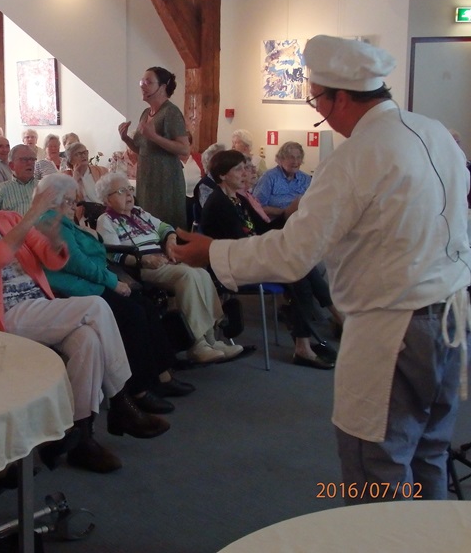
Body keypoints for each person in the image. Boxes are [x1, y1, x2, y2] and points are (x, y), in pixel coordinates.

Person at [171, 35, 471, 503]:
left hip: (394, 328)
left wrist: (212, 252)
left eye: (319, 102)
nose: (323, 114)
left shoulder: (356, 156)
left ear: (343, 96)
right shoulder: (433, 131)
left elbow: (293, 253)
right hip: (449, 321)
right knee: (428, 454)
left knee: (378, 467)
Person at [0, 169, 169, 473]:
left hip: (36, 307)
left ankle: (81, 437)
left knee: (88, 340)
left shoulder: (5, 218)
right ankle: (121, 400)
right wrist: (33, 214)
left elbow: (49, 256)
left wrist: (56, 240)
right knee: (97, 307)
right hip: (1, 317)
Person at [38, 173, 195, 413]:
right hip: (78, 288)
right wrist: (113, 282)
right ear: (54, 200)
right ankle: (139, 389)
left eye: (74, 201)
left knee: (145, 306)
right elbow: (77, 263)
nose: (74, 207)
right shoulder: (51, 221)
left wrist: (89, 235)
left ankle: (162, 375)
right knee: (132, 314)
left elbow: (92, 253)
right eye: (70, 201)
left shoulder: (63, 221)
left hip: (92, 281)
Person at [199, 149, 337, 369]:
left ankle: (314, 335)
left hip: (247, 255)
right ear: (223, 175)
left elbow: (263, 229)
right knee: (296, 272)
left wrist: (287, 214)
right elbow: (238, 243)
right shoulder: (219, 203)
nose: (245, 173)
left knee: (300, 265)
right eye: (238, 169)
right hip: (231, 263)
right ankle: (311, 339)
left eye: (245, 167)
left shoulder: (238, 199)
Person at [95, 172, 242, 364]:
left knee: (201, 273)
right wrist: (143, 260)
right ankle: (197, 345)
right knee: (188, 276)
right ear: (108, 198)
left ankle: (212, 340)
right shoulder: (106, 221)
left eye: (130, 189)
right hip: (142, 267)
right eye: (121, 191)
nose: (129, 195)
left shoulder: (140, 213)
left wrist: (171, 243)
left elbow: (166, 228)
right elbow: (113, 253)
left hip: (164, 261)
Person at [118, 66, 188, 230]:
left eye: (148, 82)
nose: (142, 85)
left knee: (164, 228)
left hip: (166, 181)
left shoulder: (171, 112)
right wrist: (126, 138)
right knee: (147, 226)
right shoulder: (146, 113)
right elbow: (142, 150)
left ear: (162, 87)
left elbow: (184, 149)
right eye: (142, 82)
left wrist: (155, 137)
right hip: (147, 180)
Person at [253, 141, 311, 221]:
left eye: (298, 157)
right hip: (275, 224)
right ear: (281, 159)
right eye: (291, 157)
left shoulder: (306, 179)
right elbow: (257, 207)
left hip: (300, 222)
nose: (295, 162)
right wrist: (285, 212)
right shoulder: (269, 177)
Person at [0, 144, 37, 215]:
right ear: (12, 166)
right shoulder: (0, 190)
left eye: (32, 159)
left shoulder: (44, 186)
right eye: (24, 160)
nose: (30, 163)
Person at [182, 132, 204, 230]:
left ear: (191, 145)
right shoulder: (171, 161)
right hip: (179, 200)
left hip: (197, 199)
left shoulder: (200, 159)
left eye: (185, 143)